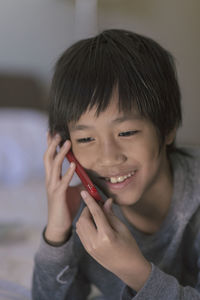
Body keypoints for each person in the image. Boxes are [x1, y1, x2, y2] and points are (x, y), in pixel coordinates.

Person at [32, 29, 200, 300]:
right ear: (66, 148)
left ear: (167, 128)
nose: (108, 157)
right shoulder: (83, 214)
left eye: (126, 132)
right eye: (86, 138)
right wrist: (57, 235)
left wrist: (134, 271)